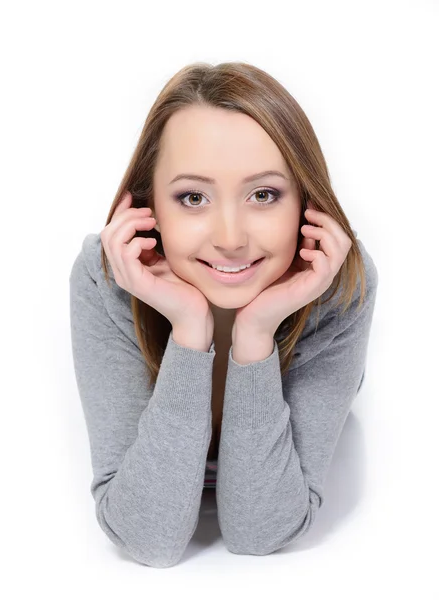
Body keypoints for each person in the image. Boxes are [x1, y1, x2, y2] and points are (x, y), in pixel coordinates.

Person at [69, 61, 378, 569]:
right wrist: (190, 330)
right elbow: (148, 538)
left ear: (305, 201)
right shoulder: (107, 278)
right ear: (149, 208)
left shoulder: (338, 284)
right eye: (193, 197)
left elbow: (261, 531)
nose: (231, 238)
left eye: (264, 195)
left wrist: (257, 332)